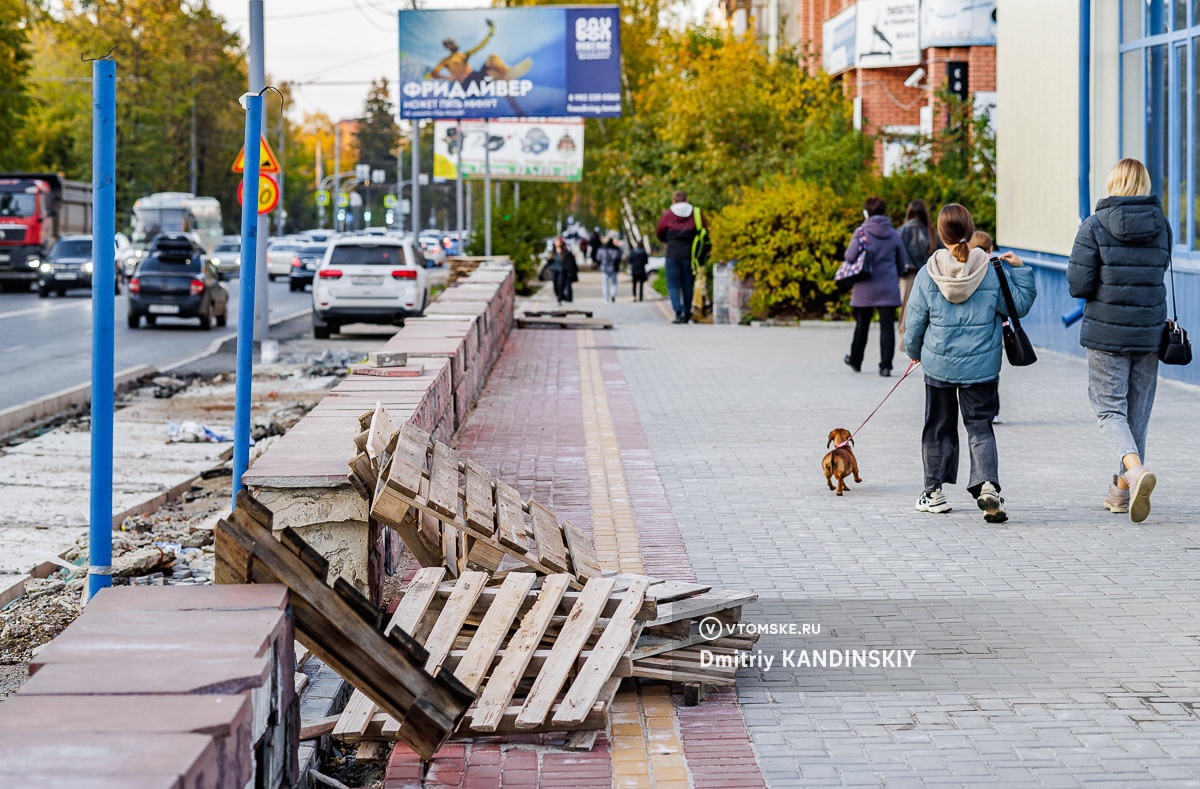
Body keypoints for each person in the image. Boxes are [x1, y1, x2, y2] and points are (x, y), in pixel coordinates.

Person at [904, 204, 1036, 523]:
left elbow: (915, 319)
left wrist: (912, 349)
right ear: (970, 228)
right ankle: (987, 485)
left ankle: (933, 493)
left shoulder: (928, 273)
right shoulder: (990, 270)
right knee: (980, 427)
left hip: (939, 365)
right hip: (982, 368)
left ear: (941, 233)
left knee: (937, 428)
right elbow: (1019, 305)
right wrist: (1020, 269)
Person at [1067, 158, 1170, 524]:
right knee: (1137, 414)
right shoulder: (1162, 227)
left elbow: (1078, 285)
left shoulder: (1093, 227)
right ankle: (1121, 491)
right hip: (1148, 332)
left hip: (1106, 333)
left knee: (1110, 409)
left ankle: (1135, 472)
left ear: (1113, 183)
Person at [844, 197, 910, 376]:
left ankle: (856, 360)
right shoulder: (894, 234)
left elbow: (850, 257)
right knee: (887, 327)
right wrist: (892, 277)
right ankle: (886, 366)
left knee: (862, 325)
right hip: (888, 286)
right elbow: (902, 261)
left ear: (866, 212)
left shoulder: (861, 232)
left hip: (864, 286)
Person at [656, 190, 708, 323]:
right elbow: (704, 230)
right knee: (687, 285)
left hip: (672, 255)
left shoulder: (667, 215)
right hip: (690, 256)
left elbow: (660, 232)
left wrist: (666, 241)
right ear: (687, 200)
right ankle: (686, 314)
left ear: (673, 201)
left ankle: (677, 311)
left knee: (673, 284)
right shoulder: (695, 213)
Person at [897, 199, 937, 347]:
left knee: (906, 308)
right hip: (928, 276)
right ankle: (916, 342)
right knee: (922, 310)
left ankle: (905, 341)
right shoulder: (931, 233)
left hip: (906, 277)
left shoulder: (901, 231)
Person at [547, 237, 577, 305]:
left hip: (562, 272)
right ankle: (559, 296)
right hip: (554, 271)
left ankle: (560, 298)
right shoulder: (553, 252)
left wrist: (569, 271)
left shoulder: (565, 252)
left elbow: (570, 263)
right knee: (555, 286)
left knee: (560, 285)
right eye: (556, 242)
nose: (557, 243)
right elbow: (549, 263)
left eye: (558, 242)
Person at [597, 236, 622, 303]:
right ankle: (613, 294)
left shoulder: (602, 249)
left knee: (605, 284)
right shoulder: (617, 249)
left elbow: (598, 258)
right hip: (613, 268)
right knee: (614, 283)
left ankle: (606, 298)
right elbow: (619, 258)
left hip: (605, 268)